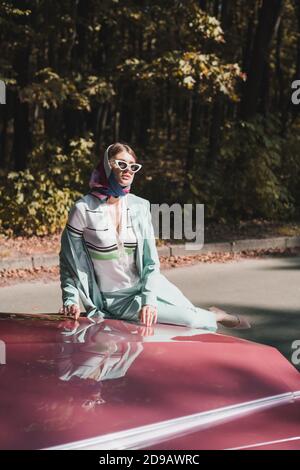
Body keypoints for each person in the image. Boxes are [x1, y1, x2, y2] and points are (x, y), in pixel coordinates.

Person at [59, 142, 250, 331]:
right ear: (107, 165)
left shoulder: (139, 206)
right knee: (190, 321)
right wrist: (70, 298)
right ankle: (218, 315)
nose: (128, 171)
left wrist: (148, 301)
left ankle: (212, 313)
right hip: (116, 299)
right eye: (122, 164)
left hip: (150, 286)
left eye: (133, 167)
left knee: (187, 310)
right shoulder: (83, 209)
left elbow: (151, 262)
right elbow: (69, 261)